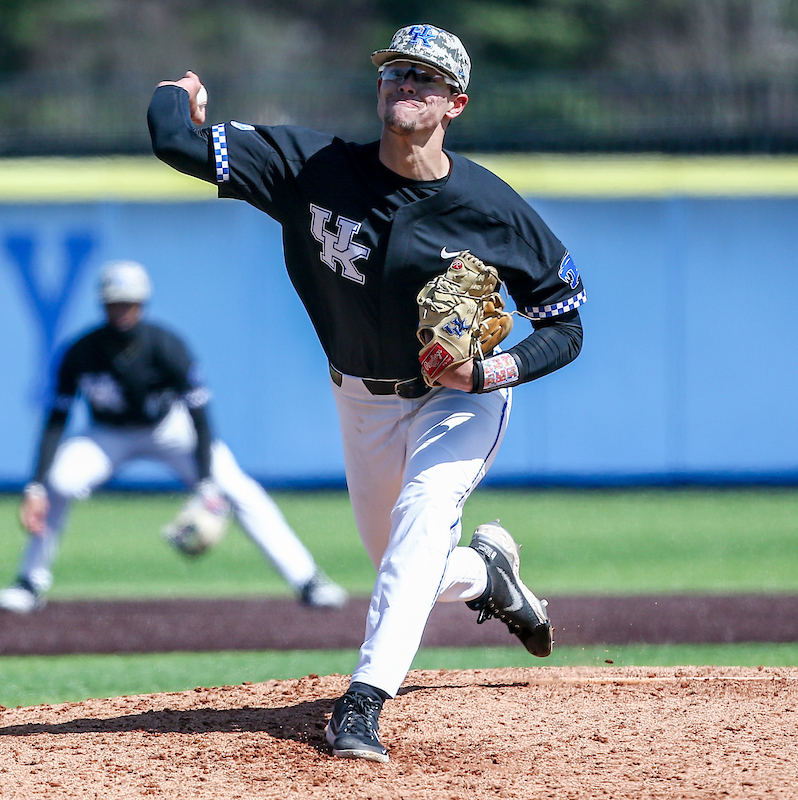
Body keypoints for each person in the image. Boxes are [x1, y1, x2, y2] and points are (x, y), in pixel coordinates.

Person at [148, 22, 585, 763]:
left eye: (426, 78)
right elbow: (173, 140)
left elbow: (564, 322)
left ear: (457, 104)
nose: (406, 85)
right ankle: (490, 576)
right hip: (362, 401)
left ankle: (363, 703)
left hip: (458, 398)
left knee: (422, 516)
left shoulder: (490, 207)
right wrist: (175, 93)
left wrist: (488, 373)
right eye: (395, 74)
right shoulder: (311, 166)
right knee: (403, 560)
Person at [0, 259, 348, 614]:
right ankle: (29, 581)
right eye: (114, 302)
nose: (122, 310)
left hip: (169, 428)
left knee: (239, 489)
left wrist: (207, 482)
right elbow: (57, 419)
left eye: (129, 302)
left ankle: (307, 579)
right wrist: (35, 486)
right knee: (57, 484)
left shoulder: (165, 345)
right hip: (108, 434)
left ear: (142, 303)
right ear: (102, 304)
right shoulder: (81, 352)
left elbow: (200, 416)